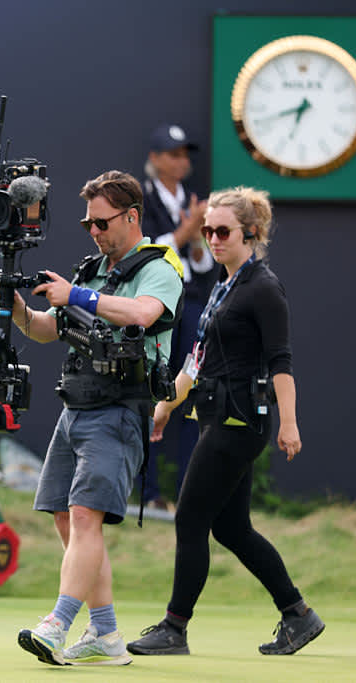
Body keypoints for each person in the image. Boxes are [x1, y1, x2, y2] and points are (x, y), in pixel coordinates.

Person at [0, 170, 183, 666]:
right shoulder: (90, 270)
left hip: (121, 408)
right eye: (88, 225)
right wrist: (15, 309)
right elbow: (43, 330)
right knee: (65, 516)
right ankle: (105, 635)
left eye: (102, 223)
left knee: (84, 517)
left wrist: (78, 296)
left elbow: (143, 314)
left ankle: (57, 624)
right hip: (75, 406)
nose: (95, 232)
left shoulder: (161, 266)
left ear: (131, 216)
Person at [127, 187, 323, 657]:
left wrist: (289, 423)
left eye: (222, 231)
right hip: (218, 415)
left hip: (239, 422)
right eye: (207, 229)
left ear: (250, 233)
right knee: (231, 528)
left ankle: (174, 628)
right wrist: (165, 407)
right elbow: (198, 359)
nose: (211, 238)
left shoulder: (263, 288)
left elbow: (281, 362)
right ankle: (298, 614)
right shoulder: (225, 283)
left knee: (191, 518)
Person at [139, 123, 217, 509]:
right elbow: (147, 251)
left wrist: (198, 237)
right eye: (174, 154)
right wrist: (186, 231)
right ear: (155, 159)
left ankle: (190, 487)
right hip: (156, 307)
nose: (182, 161)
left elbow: (202, 267)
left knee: (191, 392)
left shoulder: (192, 200)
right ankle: (148, 493)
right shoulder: (142, 198)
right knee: (152, 389)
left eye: (185, 154)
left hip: (193, 304)